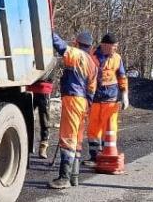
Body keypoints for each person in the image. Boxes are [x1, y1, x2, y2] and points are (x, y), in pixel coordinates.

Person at [49, 30, 98, 191]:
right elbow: (92, 89)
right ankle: (74, 177)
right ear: (90, 47)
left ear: (77, 43)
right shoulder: (93, 63)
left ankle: (64, 178)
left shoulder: (75, 54)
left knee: (67, 137)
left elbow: (60, 46)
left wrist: (49, 30)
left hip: (72, 98)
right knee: (76, 139)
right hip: (84, 103)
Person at [85, 33, 129, 163]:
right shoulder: (92, 56)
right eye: (113, 46)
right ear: (104, 45)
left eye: (116, 46)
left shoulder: (117, 58)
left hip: (111, 98)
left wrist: (125, 94)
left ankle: (107, 153)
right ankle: (94, 156)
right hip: (94, 97)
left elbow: (122, 76)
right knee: (93, 128)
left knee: (109, 128)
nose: (115, 48)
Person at [28, 71, 56, 159]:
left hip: (44, 88)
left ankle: (43, 146)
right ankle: (26, 146)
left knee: (44, 121)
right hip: (30, 88)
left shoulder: (54, 58)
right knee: (27, 120)